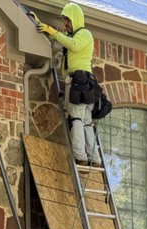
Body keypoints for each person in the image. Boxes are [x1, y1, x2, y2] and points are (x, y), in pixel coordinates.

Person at [37, 3, 100, 166]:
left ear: (76, 19)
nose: (66, 24)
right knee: (85, 121)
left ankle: (80, 156)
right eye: (65, 21)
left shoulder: (84, 34)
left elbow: (73, 45)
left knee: (77, 118)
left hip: (79, 80)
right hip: (82, 81)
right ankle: (94, 158)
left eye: (68, 20)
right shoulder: (71, 36)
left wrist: (54, 32)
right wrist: (40, 25)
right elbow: (63, 41)